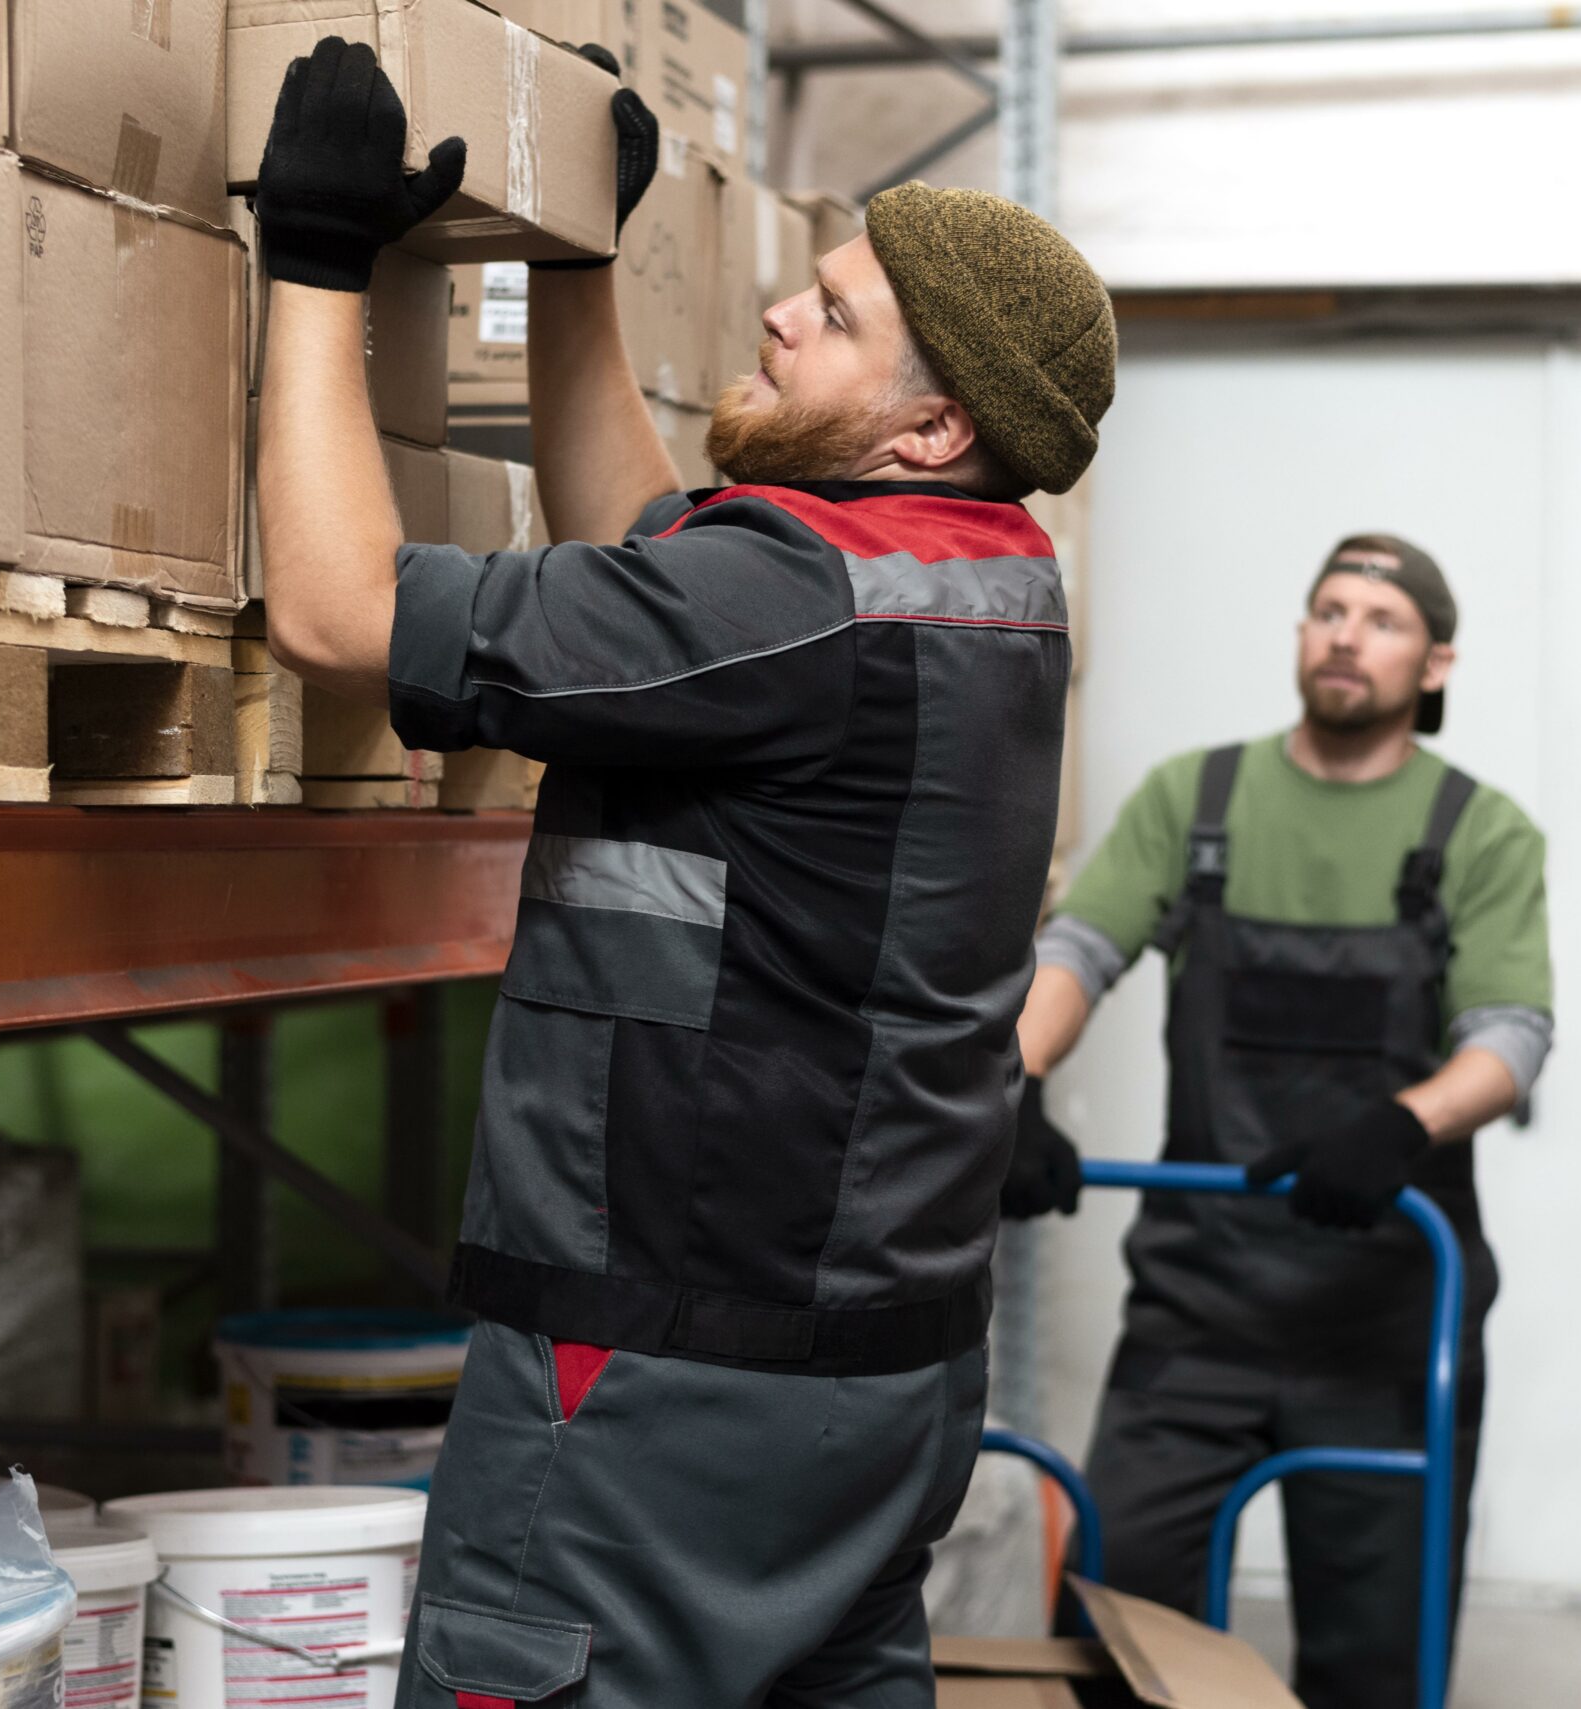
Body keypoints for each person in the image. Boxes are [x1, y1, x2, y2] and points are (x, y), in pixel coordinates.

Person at [248, 37, 1116, 1709]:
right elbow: (656, 557)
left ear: (933, 426)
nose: (781, 313)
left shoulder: (797, 608)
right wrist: (577, 270)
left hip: (662, 1382)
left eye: (834, 316)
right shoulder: (982, 581)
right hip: (879, 1381)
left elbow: (336, 613)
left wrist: (315, 259)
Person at [1007, 535, 1553, 1709]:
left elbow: (1509, 1035)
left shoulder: (1478, 829)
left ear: (1435, 663)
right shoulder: (1196, 799)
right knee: (1111, 1631)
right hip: (1198, 1308)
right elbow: (1079, 947)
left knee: (1373, 1665)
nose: (1347, 635)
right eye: (1329, 609)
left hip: (1385, 1324)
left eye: (1383, 619)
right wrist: (1019, 1079)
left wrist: (1401, 1124)